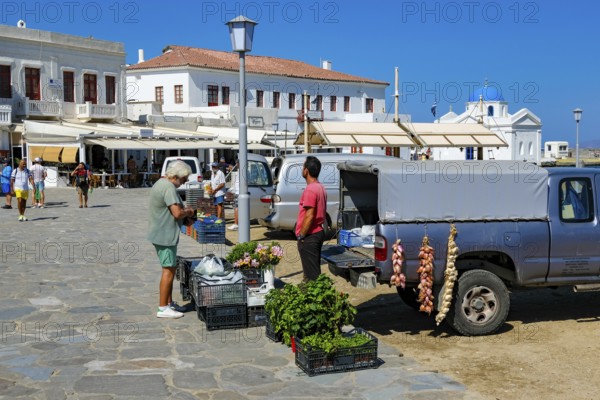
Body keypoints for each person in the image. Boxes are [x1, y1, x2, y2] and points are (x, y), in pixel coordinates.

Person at [147, 160, 196, 319]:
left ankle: (168, 303)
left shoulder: (161, 183)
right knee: (168, 270)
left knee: (171, 268)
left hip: (160, 233)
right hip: (165, 236)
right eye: (184, 178)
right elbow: (176, 213)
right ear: (176, 176)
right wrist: (189, 211)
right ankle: (163, 307)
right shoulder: (169, 188)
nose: (185, 181)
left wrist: (184, 217)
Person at [295, 156, 327, 282]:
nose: (302, 169)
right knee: (313, 270)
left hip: (310, 235)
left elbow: (310, 215)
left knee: (311, 276)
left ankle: (318, 300)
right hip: (318, 232)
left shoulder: (311, 189)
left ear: (306, 171)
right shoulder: (320, 187)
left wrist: (301, 236)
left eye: (303, 167)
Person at [227, 163, 239, 231]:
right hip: (237, 192)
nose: (236, 164)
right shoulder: (238, 171)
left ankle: (236, 224)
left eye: (237, 163)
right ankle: (236, 223)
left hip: (238, 192)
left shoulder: (240, 172)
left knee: (236, 208)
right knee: (236, 208)